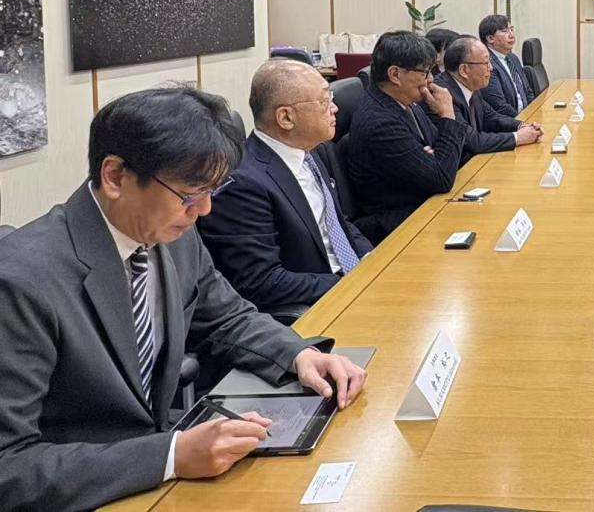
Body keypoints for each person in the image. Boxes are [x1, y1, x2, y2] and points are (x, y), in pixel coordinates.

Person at [0, 86, 366, 510]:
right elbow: (10, 465)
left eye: (213, 190)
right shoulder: (23, 281)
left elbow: (226, 317)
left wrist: (298, 354)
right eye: (190, 194)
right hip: (91, 488)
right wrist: (170, 456)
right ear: (115, 176)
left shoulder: (171, 235)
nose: (205, 210)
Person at [199, 60, 372, 318]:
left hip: (347, 283)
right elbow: (261, 282)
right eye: (324, 101)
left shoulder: (311, 151)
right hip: (313, 306)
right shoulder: (243, 183)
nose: (334, 108)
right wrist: (348, 282)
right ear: (286, 117)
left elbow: (337, 222)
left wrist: (369, 259)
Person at [343, 31, 464, 244]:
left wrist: (433, 159)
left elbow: (442, 154)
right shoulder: (380, 122)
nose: (431, 79)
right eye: (425, 72)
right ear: (395, 75)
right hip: (398, 225)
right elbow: (442, 177)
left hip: (423, 202)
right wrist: (447, 114)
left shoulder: (406, 102)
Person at [434, 35, 543, 160]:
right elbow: (471, 141)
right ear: (464, 70)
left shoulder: (470, 85)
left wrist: (522, 126)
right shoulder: (443, 94)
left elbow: (492, 117)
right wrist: (518, 137)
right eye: (486, 63)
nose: (491, 68)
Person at [478, 14, 536, 118]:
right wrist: (523, 122)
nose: (511, 35)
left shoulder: (512, 58)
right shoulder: (487, 65)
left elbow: (528, 92)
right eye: (505, 31)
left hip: (527, 117)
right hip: (511, 122)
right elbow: (500, 106)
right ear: (490, 38)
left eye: (512, 29)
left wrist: (534, 113)